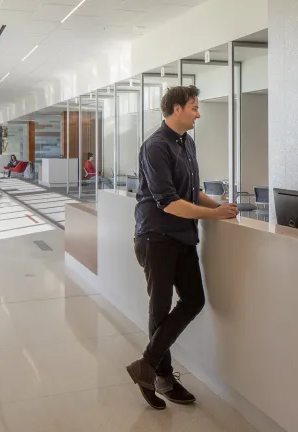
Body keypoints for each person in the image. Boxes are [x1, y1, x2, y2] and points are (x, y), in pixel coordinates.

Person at [126, 85, 238, 410]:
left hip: (183, 237)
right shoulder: (155, 146)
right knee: (159, 308)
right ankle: (162, 378)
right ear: (176, 109)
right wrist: (212, 214)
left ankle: (147, 365)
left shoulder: (186, 143)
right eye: (194, 107)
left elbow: (190, 192)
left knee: (194, 300)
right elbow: (169, 203)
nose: (198, 113)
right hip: (156, 237)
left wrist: (220, 207)